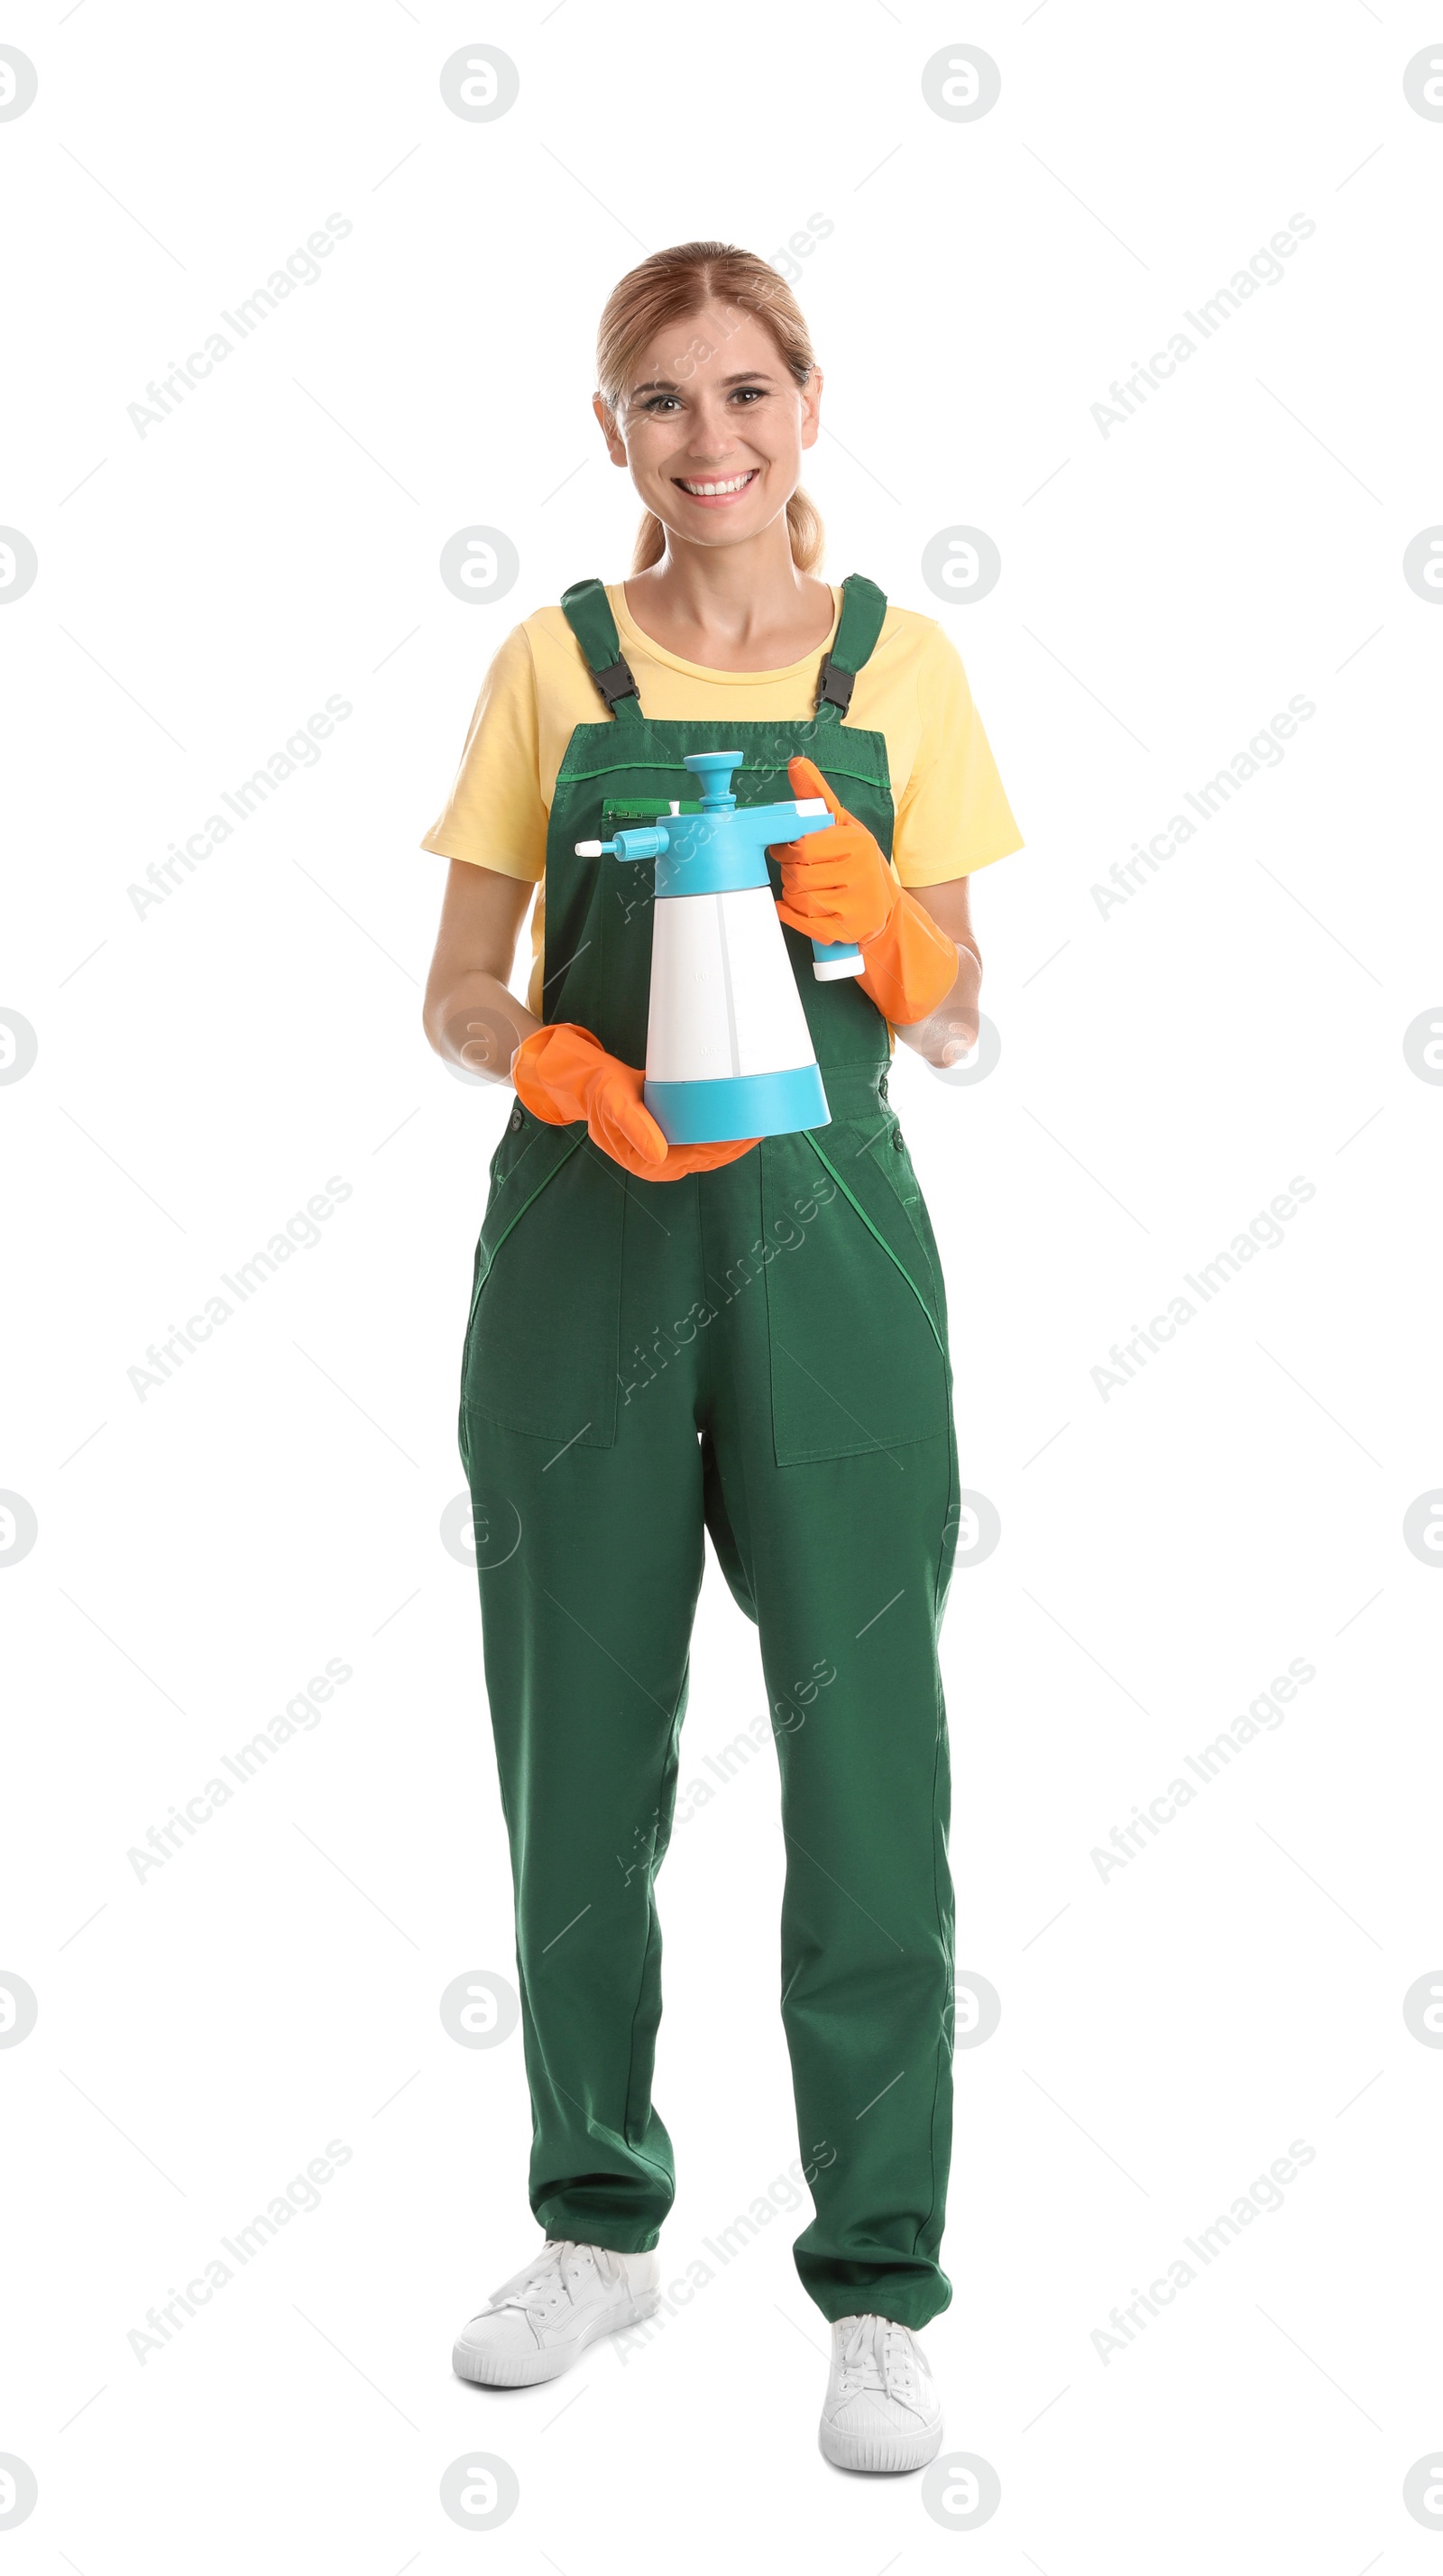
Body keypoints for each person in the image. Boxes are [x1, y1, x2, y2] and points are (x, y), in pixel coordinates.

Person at [420, 240, 1022, 2473]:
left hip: (833, 1243)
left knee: (869, 1760)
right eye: (659, 402)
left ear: (809, 400)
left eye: (745, 391)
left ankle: (877, 2281)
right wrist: (542, 1058)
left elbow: (957, 1011)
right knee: (579, 1752)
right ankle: (593, 2225)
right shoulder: (547, 671)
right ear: (609, 434)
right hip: (585, 1235)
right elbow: (453, 988)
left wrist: (887, 925)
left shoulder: (901, 669)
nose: (711, 441)